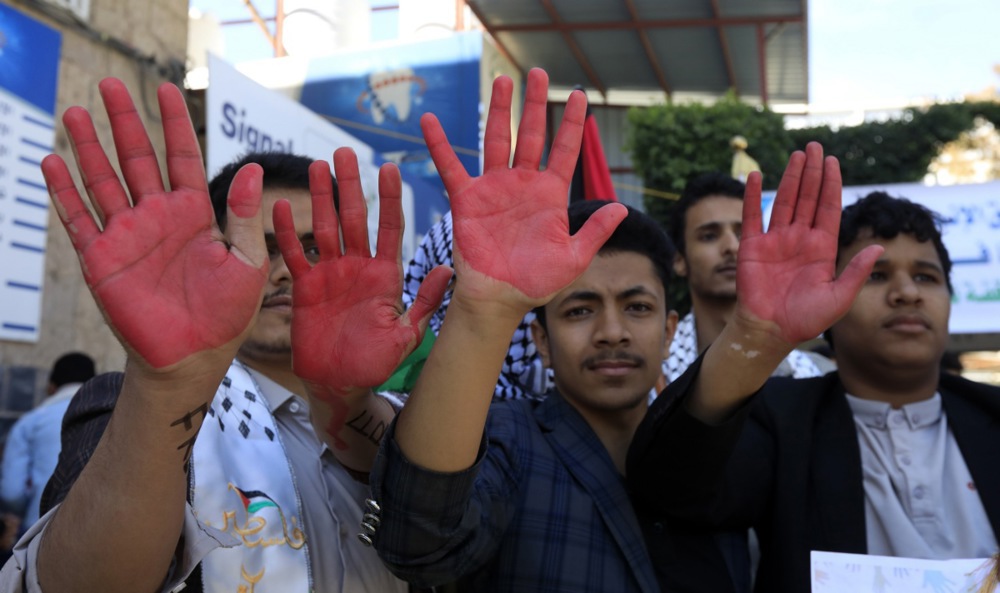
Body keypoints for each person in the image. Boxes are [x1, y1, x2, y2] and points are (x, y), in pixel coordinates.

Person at [0, 78, 449, 593]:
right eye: (260, 249)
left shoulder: (403, 419)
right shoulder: (137, 405)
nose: (284, 272)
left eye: (312, 249)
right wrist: (166, 385)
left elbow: (450, 543)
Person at [365, 68, 736, 593]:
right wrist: (483, 312)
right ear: (539, 339)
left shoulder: (715, 458)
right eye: (580, 310)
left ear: (672, 328)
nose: (612, 332)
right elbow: (417, 542)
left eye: (637, 307)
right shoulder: (504, 439)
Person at [628, 177, 1000, 593]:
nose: (907, 293)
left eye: (926, 277)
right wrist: (752, 337)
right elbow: (671, 488)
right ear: (827, 302)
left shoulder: (992, 417)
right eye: (875, 276)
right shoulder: (782, 423)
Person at [663, 172, 833, 385]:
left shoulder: (815, 374)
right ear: (679, 260)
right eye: (709, 236)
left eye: (744, 233)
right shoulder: (650, 373)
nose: (732, 247)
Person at [403, 212, 549, 400]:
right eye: (458, 283)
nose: (481, 302)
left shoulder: (572, 384)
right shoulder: (396, 367)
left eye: (505, 284)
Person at [0, 353, 95, 530]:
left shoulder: (31, 422)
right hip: (101, 534)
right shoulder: (115, 421)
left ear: (51, 387)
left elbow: (11, 492)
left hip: (39, 531)